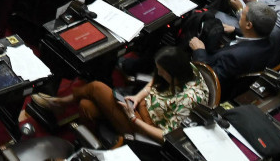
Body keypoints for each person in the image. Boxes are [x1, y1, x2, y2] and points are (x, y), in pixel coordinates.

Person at [28, 46, 209, 142]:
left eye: (162, 71)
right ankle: (94, 145)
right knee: (86, 106)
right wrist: (138, 98)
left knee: (97, 87)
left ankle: (60, 103)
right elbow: (156, 81)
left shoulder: (189, 99)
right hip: (139, 107)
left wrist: (133, 119)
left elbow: (166, 137)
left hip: (144, 128)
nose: (158, 73)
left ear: (173, 71)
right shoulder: (186, 68)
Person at [189, 1, 279, 83]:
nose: (240, 15)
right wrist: (235, 30)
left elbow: (210, 80)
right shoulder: (274, 38)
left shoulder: (234, 57)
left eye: (242, 14)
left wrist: (199, 51)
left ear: (248, 25)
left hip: (211, 73)